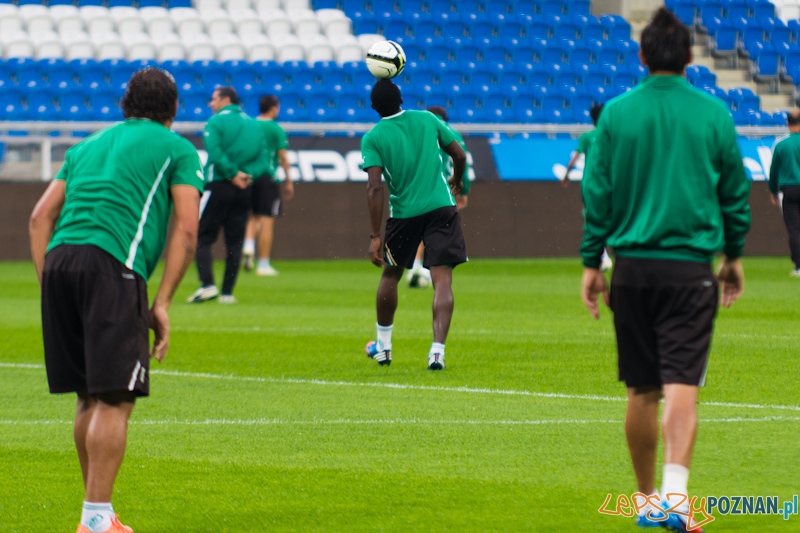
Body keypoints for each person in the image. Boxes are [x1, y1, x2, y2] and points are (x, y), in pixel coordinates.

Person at [580, 8, 750, 532]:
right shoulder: (713, 114)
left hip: (631, 269)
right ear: (691, 57)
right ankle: (677, 497)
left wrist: (592, 262)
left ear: (641, 55)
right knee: (681, 385)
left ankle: (646, 500)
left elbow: (597, 193)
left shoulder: (615, 115)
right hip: (690, 270)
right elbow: (734, 192)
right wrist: (733, 255)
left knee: (641, 390)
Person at [28, 68, 203, 533]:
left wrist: (50, 285)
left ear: (125, 104)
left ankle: (97, 514)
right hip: (112, 265)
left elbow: (39, 218)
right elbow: (187, 230)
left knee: (88, 396)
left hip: (59, 262)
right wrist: (160, 302)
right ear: (173, 109)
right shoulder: (178, 149)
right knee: (114, 399)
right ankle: (95, 520)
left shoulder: (86, 145)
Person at [362, 79, 468, 370]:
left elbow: (374, 187)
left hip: (404, 214)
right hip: (441, 207)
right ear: (401, 99)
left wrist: (375, 236)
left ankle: (383, 347)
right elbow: (459, 155)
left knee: (390, 276)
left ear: (373, 107)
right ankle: (437, 352)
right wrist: (457, 179)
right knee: (442, 280)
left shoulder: (372, 138)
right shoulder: (427, 118)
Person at [187, 87, 270, 304]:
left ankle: (207, 285)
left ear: (225, 99)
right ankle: (227, 293)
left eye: (213, 99)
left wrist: (232, 173)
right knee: (235, 242)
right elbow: (264, 157)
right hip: (245, 189)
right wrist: (247, 175)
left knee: (204, 237)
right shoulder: (254, 124)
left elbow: (214, 151)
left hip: (218, 185)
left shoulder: (216, 122)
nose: (210, 103)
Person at [405, 105, 472, 288]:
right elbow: (462, 160)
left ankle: (416, 266)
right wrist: (463, 190)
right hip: (447, 190)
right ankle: (432, 269)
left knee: (421, 226)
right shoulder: (454, 134)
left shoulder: (421, 133)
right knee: (440, 229)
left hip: (424, 187)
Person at [242, 95, 295, 276]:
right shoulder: (275, 128)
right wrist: (288, 180)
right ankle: (263, 264)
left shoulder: (250, 125)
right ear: (274, 108)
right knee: (267, 220)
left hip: (250, 175)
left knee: (253, 215)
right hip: (268, 176)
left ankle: (248, 245)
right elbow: (282, 156)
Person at [563, 104, 613, 271]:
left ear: (592, 118)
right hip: (609, 182)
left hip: (590, 183)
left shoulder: (587, 136)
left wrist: (566, 175)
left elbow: (574, 158)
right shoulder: (612, 135)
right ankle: (607, 253)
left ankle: (600, 253)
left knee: (590, 216)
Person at [768, 109, 800, 276]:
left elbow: (773, 171)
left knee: (794, 229)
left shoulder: (781, 144)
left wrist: (773, 191)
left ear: (787, 123)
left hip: (790, 189)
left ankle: (799, 266)